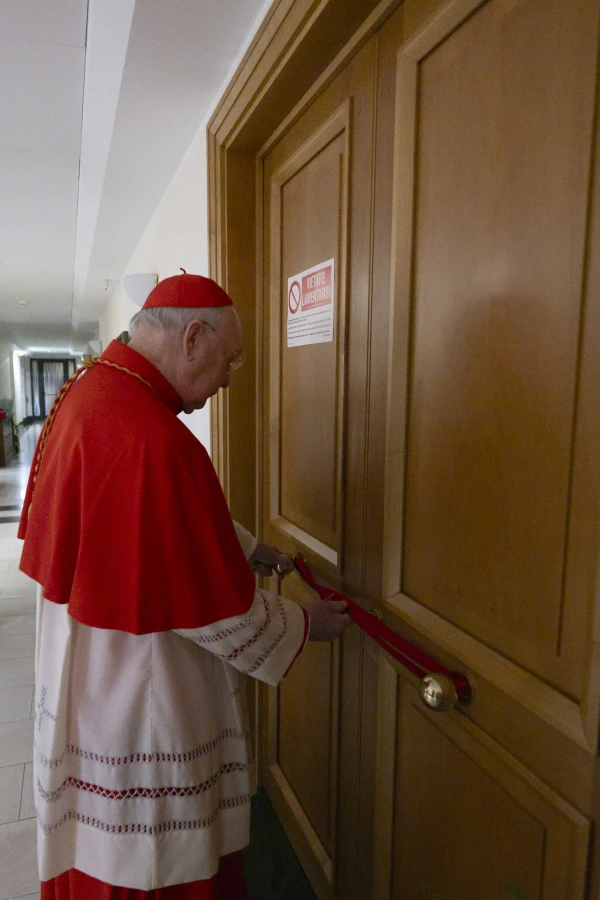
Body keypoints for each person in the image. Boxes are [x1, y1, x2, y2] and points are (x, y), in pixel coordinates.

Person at [18, 271, 349, 899]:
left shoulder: (91, 394)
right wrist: (307, 624)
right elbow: (212, 610)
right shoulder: (152, 437)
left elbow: (171, 517)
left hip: (88, 676)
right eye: (229, 362)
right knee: (151, 862)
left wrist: (250, 548)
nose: (228, 379)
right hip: (136, 691)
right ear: (192, 338)